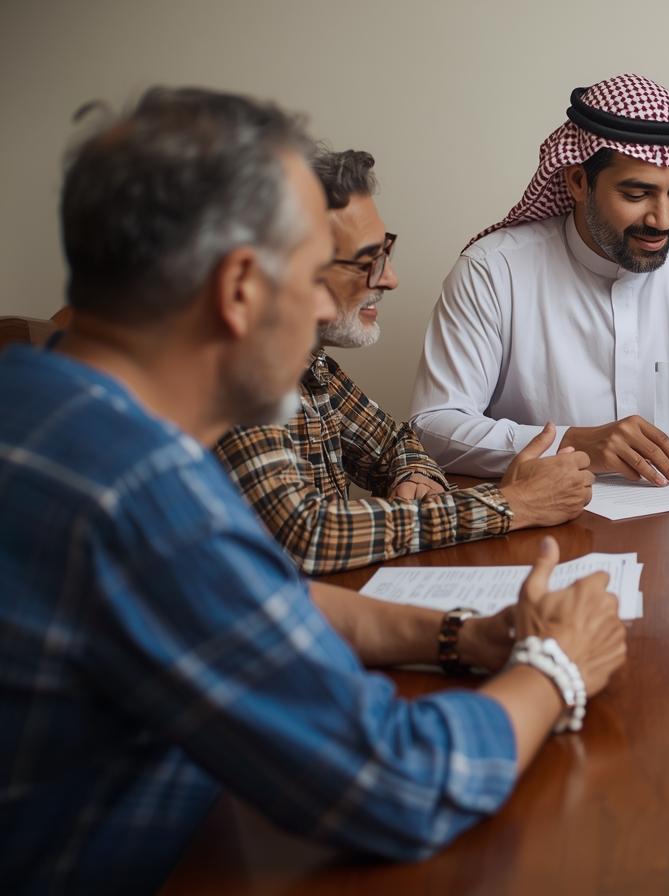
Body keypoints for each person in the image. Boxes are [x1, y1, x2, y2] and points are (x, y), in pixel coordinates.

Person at [0, 87, 626, 894]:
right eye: (312, 276)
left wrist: (460, 636)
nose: (331, 304)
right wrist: (556, 667)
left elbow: (263, 600)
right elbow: (398, 784)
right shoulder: (146, 500)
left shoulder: (36, 395)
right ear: (239, 290)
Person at [410, 73, 669, 483]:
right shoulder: (493, 271)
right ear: (578, 181)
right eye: (636, 194)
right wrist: (571, 444)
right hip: (549, 521)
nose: (662, 219)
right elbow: (434, 425)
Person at [215, 147, 592, 574]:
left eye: (385, 254)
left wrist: (413, 476)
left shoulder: (310, 364)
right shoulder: (235, 375)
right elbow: (309, 535)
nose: (390, 278)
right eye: (367, 261)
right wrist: (511, 504)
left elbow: (398, 442)